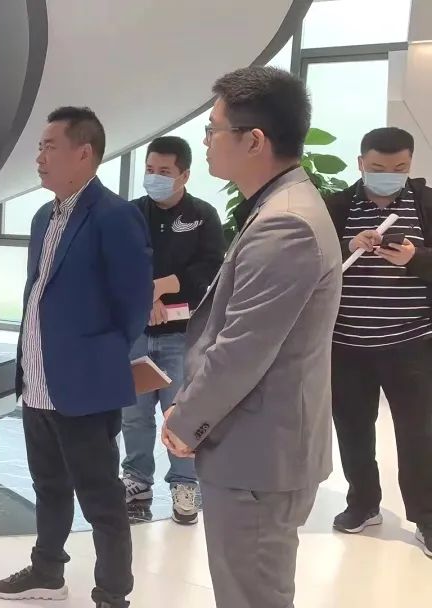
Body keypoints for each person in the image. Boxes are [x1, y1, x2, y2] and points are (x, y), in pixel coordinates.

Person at [162, 66, 342, 608]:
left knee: (252, 595)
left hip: (258, 451)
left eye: (214, 129)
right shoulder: (279, 204)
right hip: (260, 443)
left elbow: (242, 350)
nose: (206, 141)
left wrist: (186, 420)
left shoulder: (286, 223)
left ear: (254, 140)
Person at [0, 107, 153, 608]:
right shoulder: (44, 216)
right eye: (39, 147)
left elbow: (133, 305)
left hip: (85, 386)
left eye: (49, 147)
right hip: (38, 382)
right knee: (49, 486)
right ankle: (47, 571)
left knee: (101, 498)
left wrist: (97, 358)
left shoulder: (114, 215)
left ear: (84, 153)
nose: (39, 157)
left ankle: (112, 594)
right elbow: (38, 294)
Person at [324, 127, 432, 558]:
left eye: (399, 168)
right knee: (352, 428)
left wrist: (415, 258)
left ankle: (426, 516)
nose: (389, 175)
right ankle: (363, 503)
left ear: (410, 165)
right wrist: (347, 244)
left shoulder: (426, 205)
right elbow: (310, 259)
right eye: (378, 167)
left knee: (418, 433)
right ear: (361, 164)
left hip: (413, 341)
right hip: (346, 343)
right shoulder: (335, 207)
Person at [122, 136, 225, 524]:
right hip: (135, 332)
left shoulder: (203, 216)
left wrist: (166, 285)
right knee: (133, 413)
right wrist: (145, 294)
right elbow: (118, 263)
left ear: (184, 174)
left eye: (164, 172)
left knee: (180, 411)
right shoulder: (131, 214)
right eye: (150, 170)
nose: (155, 177)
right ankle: (136, 478)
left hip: (183, 334)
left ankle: (185, 483)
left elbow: (212, 269)